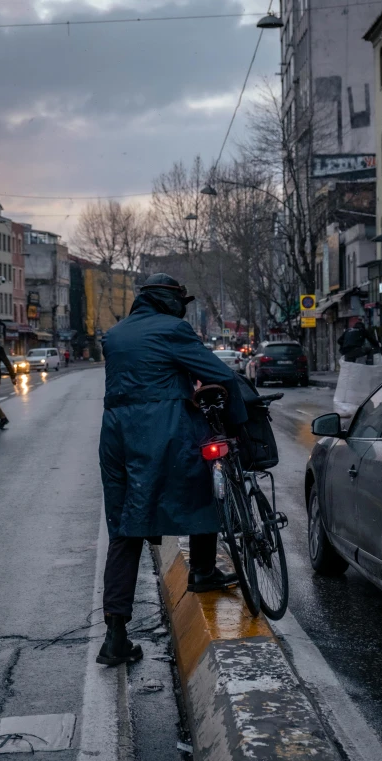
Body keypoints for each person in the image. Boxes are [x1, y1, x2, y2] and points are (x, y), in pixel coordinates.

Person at [97, 273, 248, 667]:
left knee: (125, 524)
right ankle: (201, 570)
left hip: (114, 435)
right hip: (161, 429)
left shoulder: (114, 336)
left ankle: (115, 633)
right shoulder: (174, 329)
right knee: (202, 482)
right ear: (171, 302)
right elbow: (218, 374)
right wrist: (239, 421)